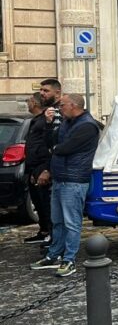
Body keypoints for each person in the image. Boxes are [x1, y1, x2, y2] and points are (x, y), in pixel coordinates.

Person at [31, 94, 101, 278]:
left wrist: (54, 149)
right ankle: (53, 255)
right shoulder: (67, 122)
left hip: (74, 179)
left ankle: (69, 260)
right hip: (60, 178)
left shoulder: (87, 125)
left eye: (62, 105)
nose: (59, 109)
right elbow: (51, 142)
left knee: (72, 222)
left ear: (73, 105)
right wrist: (48, 124)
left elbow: (63, 148)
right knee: (57, 220)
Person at [22, 93, 52, 246]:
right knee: (38, 202)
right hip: (33, 167)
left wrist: (44, 169)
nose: (27, 104)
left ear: (34, 103)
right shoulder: (35, 121)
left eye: (28, 101)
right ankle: (44, 231)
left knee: (45, 203)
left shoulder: (44, 121)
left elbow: (47, 147)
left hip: (41, 167)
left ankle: (50, 236)